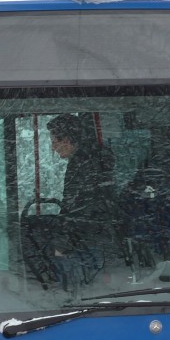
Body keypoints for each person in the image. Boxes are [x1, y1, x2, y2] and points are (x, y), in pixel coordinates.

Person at [44, 114, 116, 289]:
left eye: (55, 142)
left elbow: (80, 208)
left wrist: (62, 242)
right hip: (100, 234)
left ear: (68, 140)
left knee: (80, 286)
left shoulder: (83, 166)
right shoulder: (95, 160)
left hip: (87, 238)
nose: (53, 148)